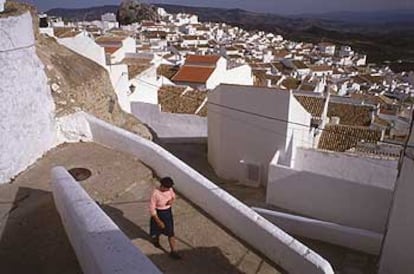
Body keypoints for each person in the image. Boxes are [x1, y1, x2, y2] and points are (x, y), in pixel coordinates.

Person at [149, 177, 182, 259]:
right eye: (166, 188)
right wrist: (158, 221)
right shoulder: (155, 193)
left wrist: (172, 200)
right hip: (158, 213)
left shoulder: (170, 189)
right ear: (162, 186)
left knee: (171, 233)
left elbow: (173, 196)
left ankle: (173, 251)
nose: (168, 189)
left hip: (167, 213)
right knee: (157, 230)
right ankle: (156, 240)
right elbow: (152, 209)